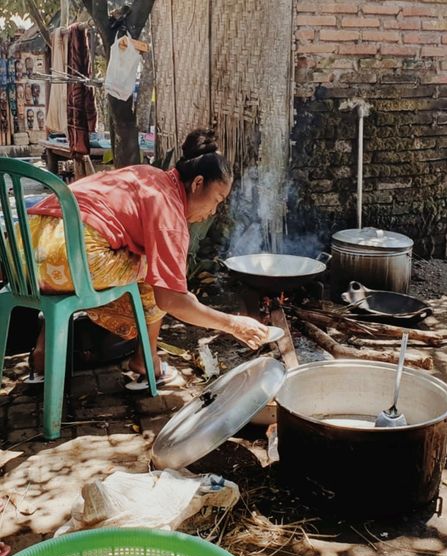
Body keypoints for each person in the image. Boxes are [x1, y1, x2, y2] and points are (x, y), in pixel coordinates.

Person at [28, 128, 269, 386]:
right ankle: (146, 361)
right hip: (67, 261)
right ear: (198, 183)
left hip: (25, 256)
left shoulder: (148, 175)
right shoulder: (169, 212)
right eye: (218, 199)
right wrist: (233, 324)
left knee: (142, 264)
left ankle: (42, 356)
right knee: (156, 275)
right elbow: (171, 300)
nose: (213, 212)